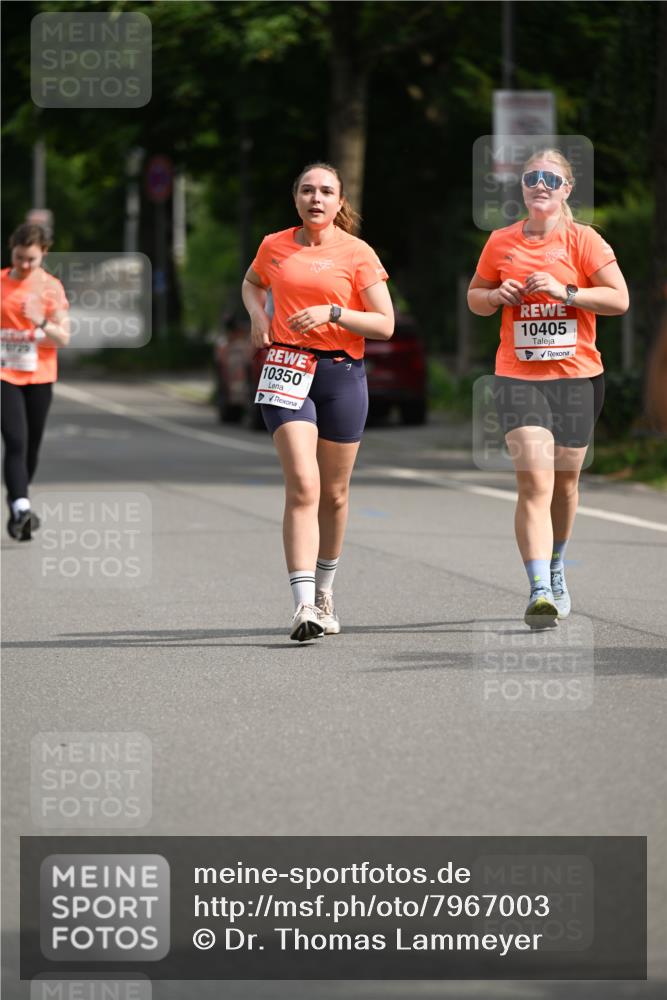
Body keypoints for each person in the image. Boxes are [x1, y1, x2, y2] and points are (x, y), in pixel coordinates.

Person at [468, 149, 629, 628]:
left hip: (577, 377)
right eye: (532, 177)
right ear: (522, 187)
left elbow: (619, 299)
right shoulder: (501, 241)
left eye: (550, 178)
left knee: (565, 483)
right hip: (518, 376)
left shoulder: (584, 241)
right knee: (534, 481)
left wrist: (567, 293)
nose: (540, 184)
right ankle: (539, 587)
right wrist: (496, 296)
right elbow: (475, 298)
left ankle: (557, 563)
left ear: (566, 188)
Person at [242, 162, 394, 641]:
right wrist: (257, 316)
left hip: (342, 374)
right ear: (296, 199)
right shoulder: (274, 245)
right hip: (286, 369)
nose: (316, 198)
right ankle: (303, 605)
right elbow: (252, 284)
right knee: (303, 485)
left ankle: (325, 591)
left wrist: (334, 312)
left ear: (339, 202)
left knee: (334, 493)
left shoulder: (357, 253)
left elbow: (385, 324)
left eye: (326, 191)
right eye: (307, 190)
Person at [1, 223, 70, 540]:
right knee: (15, 440)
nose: (24, 265)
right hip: (4, 375)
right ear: (11, 251)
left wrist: (39, 319)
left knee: (31, 447)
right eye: (19, 258)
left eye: (31, 259)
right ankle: (22, 508)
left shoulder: (51, 288)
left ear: (43, 254)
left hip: (40, 375)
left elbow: (63, 337)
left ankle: (18, 503)